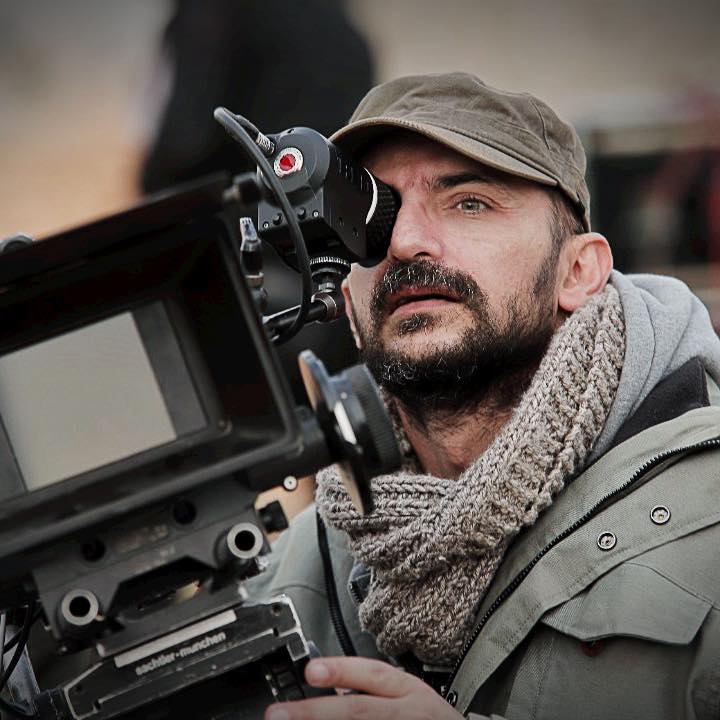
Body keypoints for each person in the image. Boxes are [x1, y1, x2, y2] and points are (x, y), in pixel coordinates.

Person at [247, 72, 720, 720]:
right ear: (348, 306)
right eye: (373, 218)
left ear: (578, 271)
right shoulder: (296, 571)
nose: (405, 242)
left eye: (469, 203)